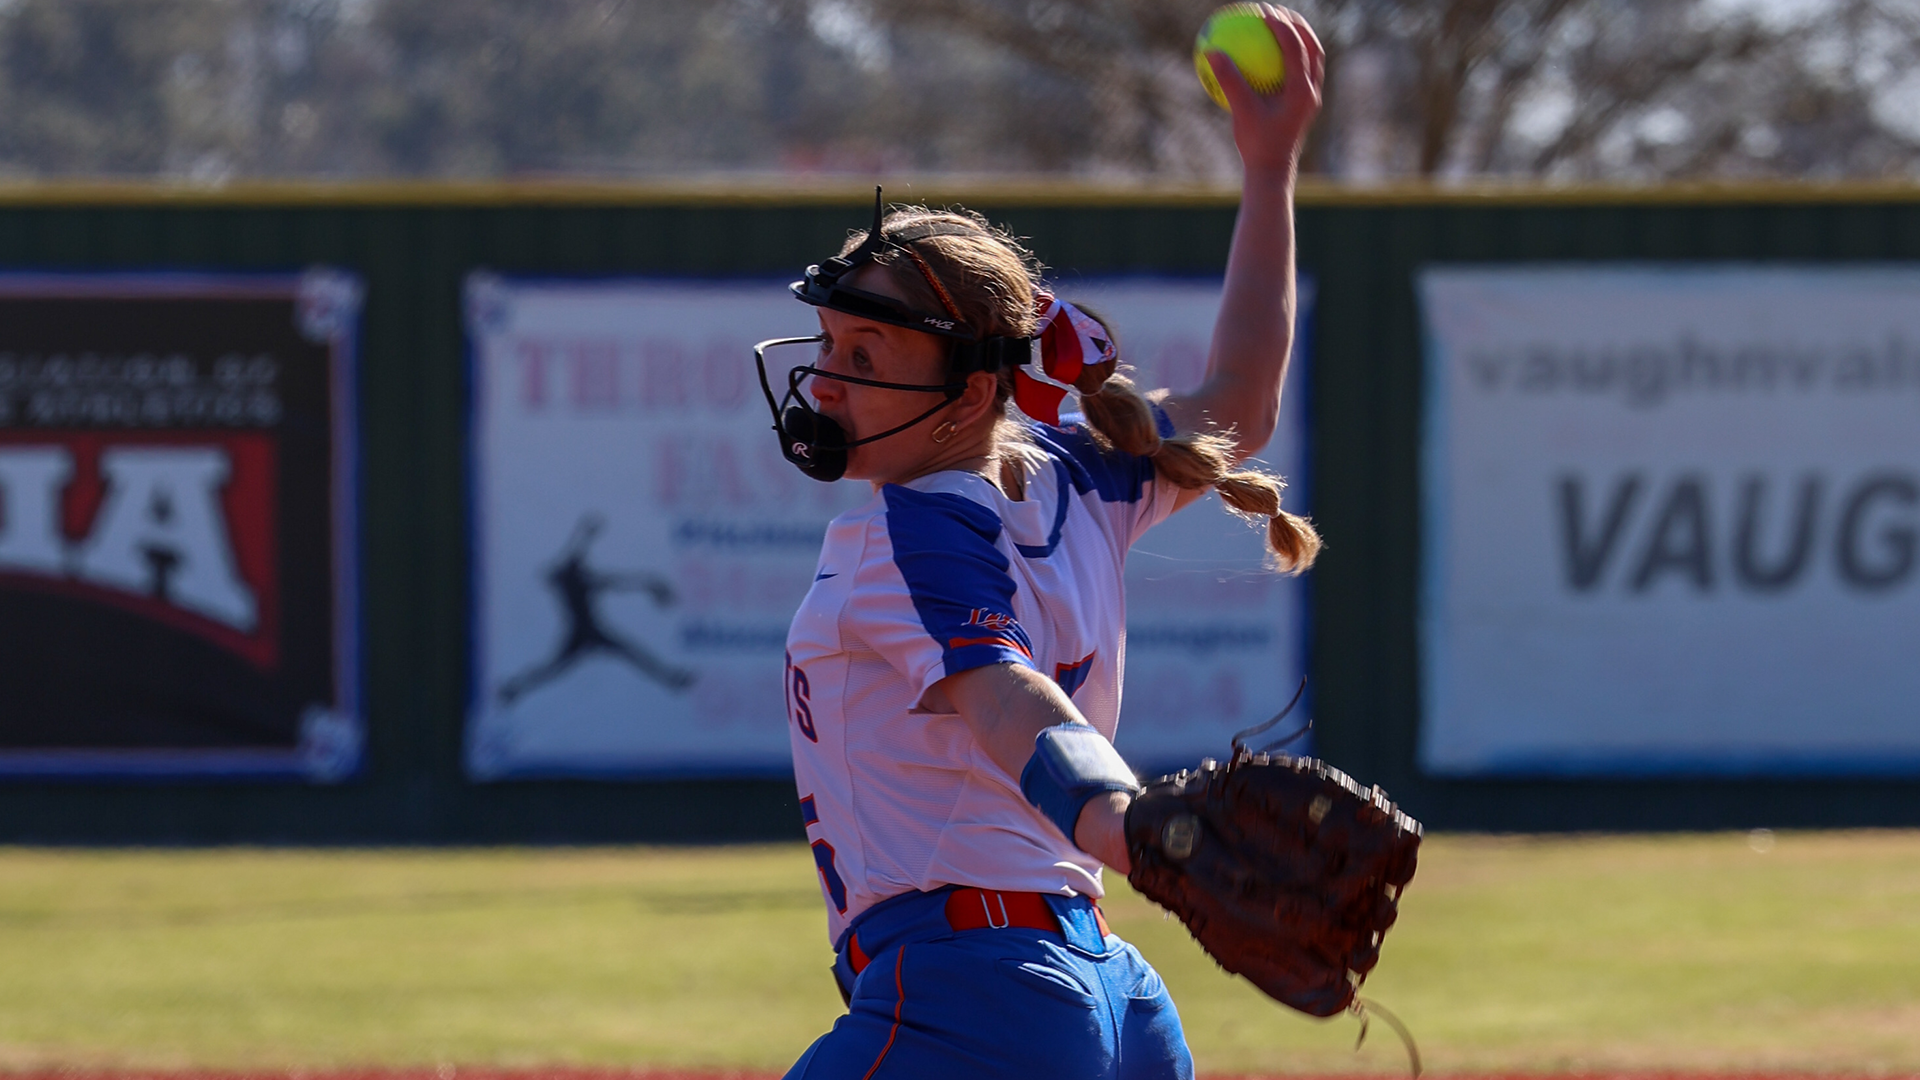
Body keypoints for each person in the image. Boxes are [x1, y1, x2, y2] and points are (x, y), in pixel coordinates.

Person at [760, 8, 1324, 1077]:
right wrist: (1269, 170)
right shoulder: (1083, 475)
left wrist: (1130, 824)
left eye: (867, 351)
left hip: (975, 997)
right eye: (830, 342)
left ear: (972, 391)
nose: (826, 379)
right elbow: (1241, 402)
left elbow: (1008, 697)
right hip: (1110, 996)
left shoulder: (912, 535)